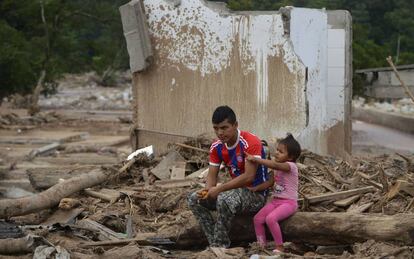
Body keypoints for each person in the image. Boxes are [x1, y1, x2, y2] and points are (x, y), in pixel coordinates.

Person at [187, 105, 269, 248]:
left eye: (224, 128)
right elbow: (212, 176)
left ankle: (220, 246)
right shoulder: (216, 147)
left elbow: (249, 177)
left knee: (224, 199)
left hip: (256, 194)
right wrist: (208, 191)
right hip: (235, 193)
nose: (220, 133)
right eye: (216, 128)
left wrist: (219, 190)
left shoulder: (250, 142)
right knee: (194, 199)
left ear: (235, 125)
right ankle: (214, 242)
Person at [245, 134, 301, 254]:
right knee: (257, 219)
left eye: (280, 152)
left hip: (289, 203)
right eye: (277, 150)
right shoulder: (277, 167)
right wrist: (256, 188)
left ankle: (280, 247)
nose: (276, 153)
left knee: (271, 219)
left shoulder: (290, 166)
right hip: (276, 201)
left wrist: (256, 159)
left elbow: (274, 164)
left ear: (290, 157)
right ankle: (261, 245)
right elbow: (270, 183)